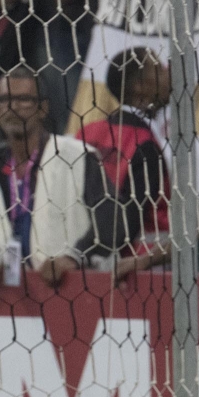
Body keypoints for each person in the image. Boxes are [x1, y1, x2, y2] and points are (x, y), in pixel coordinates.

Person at [0, 67, 117, 289]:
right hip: (16, 298)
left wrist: (73, 258)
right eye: (5, 100)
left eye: (24, 100)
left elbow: (111, 221)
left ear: (43, 109)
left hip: (77, 290)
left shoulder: (77, 156)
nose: (13, 107)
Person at [77, 47, 171, 279]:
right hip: (135, 272)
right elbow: (130, 217)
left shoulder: (85, 134)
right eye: (158, 68)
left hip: (80, 263)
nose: (168, 72)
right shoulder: (145, 144)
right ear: (139, 86)